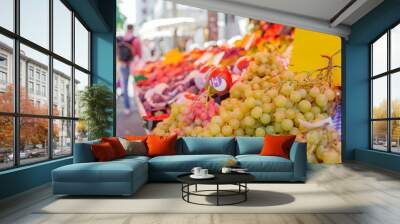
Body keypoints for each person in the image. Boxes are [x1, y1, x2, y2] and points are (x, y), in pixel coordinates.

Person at [118, 24, 142, 115]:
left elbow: (118, 52)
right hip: (134, 65)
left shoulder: (122, 39)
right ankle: (139, 107)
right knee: (139, 86)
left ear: (126, 29)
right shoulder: (136, 40)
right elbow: (140, 55)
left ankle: (127, 108)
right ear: (133, 29)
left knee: (125, 87)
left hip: (123, 65)